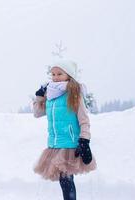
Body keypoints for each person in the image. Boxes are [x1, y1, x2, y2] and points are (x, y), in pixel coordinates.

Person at [33, 59, 96, 200]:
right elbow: (37, 113)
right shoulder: (49, 94)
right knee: (65, 181)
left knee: (66, 181)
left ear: (68, 75)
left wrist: (84, 140)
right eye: (53, 74)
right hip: (55, 144)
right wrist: (39, 98)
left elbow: (84, 119)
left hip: (70, 144)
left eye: (59, 74)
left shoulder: (73, 93)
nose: (55, 77)